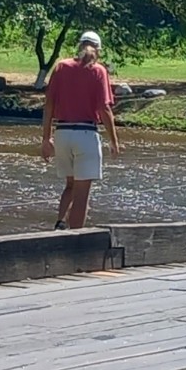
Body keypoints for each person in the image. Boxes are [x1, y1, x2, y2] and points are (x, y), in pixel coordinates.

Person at [41, 30, 120, 229]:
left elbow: (48, 105)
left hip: (62, 133)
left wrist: (46, 138)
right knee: (82, 194)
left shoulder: (61, 67)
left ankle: (60, 225)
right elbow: (104, 109)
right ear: (98, 50)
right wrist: (114, 140)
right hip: (86, 134)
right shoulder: (98, 71)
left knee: (70, 185)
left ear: (79, 46)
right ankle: (75, 239)